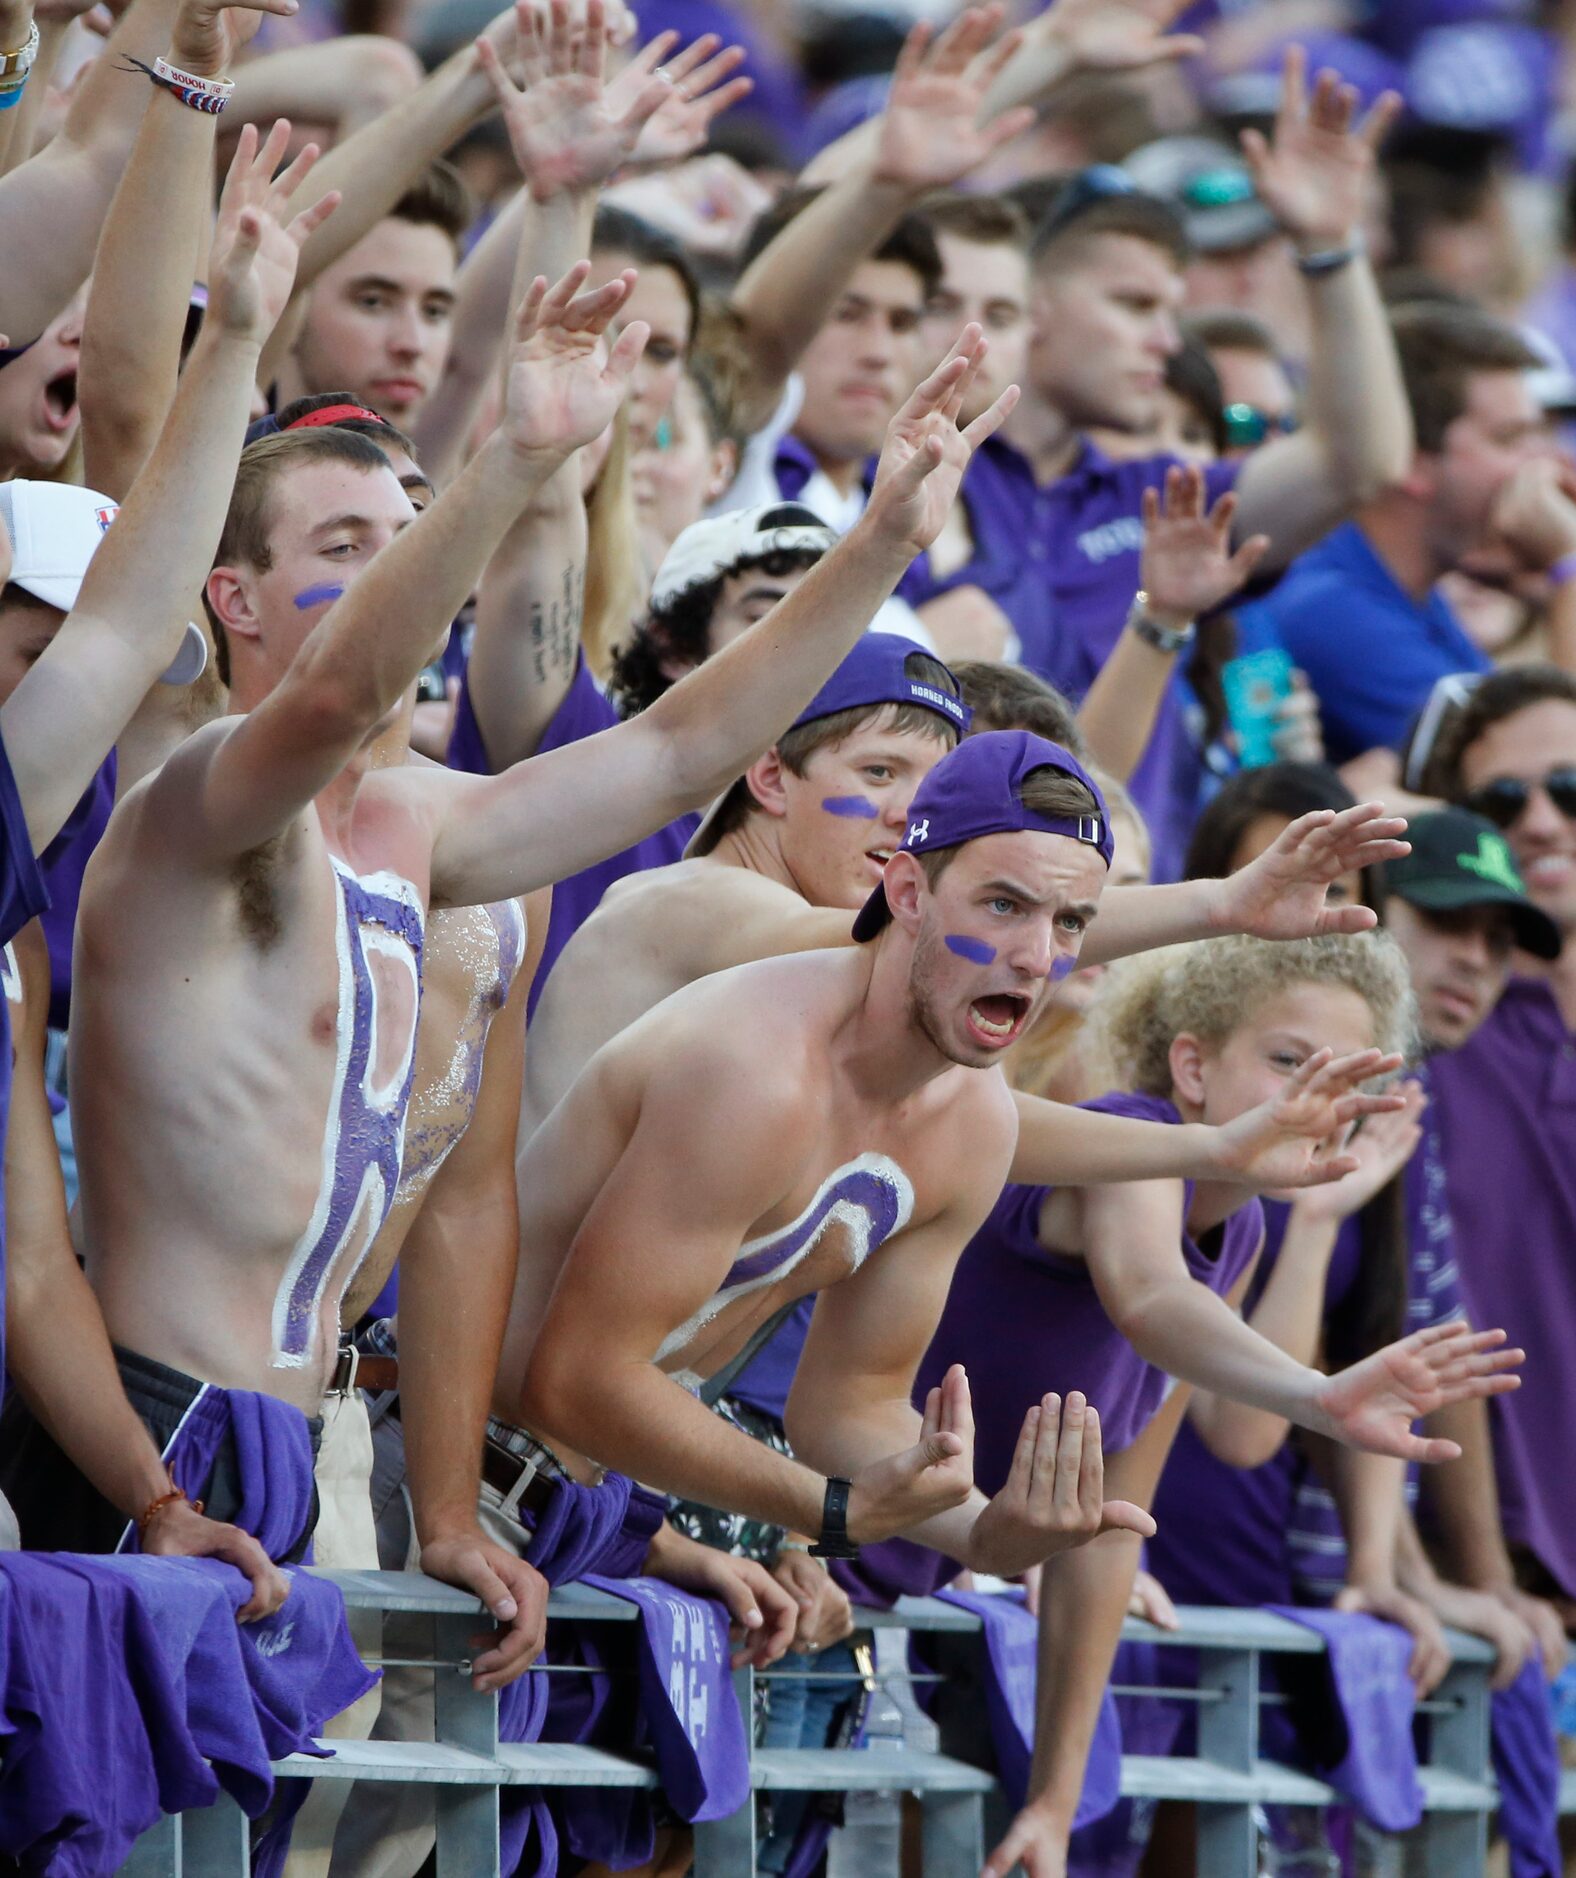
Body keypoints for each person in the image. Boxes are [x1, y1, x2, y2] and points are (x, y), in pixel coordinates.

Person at [494, 733, 1512, 1621]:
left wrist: (985, 1533)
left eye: (1067, 925)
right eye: (1003, 906)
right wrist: (829, 1512)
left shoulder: (968, 1117)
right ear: (902, 891)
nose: (1035, 958)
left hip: (586, 1519)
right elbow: (577, 1374)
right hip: (461, 1483)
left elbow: (846, 1407)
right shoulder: (754, 1064)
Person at [1004, 47, 1412, 872]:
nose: (1165, 339)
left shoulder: (1155, 495)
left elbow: (1358, 463)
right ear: (1031, 307)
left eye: (1170, 307)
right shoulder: (914, 490)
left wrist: (1330, 250)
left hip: (1140, 931)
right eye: (1133, 305)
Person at [1235, 304, 1576, 767]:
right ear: (1408, 457)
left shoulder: (1411, 583)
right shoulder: (1328, 606)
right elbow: (1538, 777)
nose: (1548, 466)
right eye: (1510, 440)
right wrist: (1568, 567)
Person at [1426, 665, 1576, 1618]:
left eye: (1570, 788)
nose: (1541, 821)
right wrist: (1485, 1571)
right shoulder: (1430, 1033)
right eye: (1500, 799)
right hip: (1505, 1605)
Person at [272, 162, 469, 432]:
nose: (412, 344)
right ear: (290, 303)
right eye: (372, 302)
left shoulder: (427, 464)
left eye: (434, 311)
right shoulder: (221, 462)